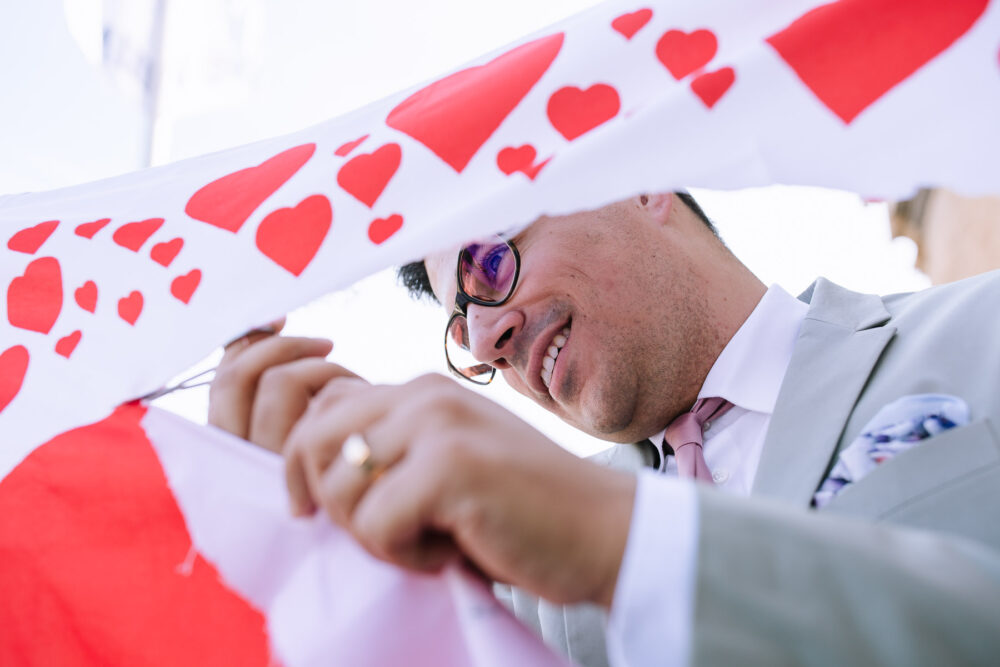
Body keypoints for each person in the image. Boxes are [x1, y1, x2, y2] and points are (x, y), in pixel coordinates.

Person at [208, 192, 1000, 666]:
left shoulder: (981, 326)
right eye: (462, 333)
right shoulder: (512, 573)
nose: (486, 341)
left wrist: (621, 542)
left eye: (488, 265)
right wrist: (311, 549)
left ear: (638, 187)